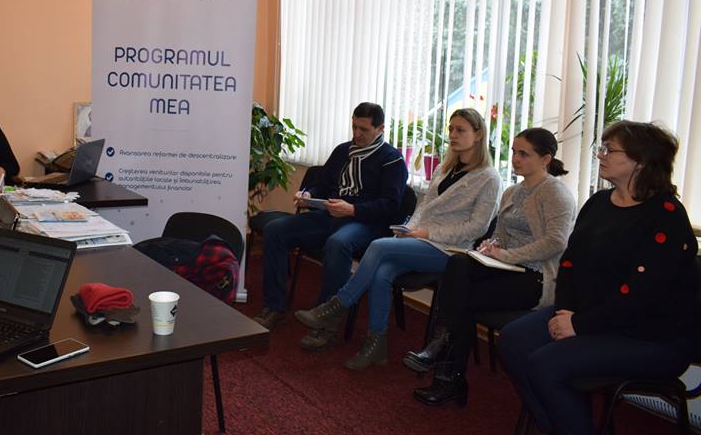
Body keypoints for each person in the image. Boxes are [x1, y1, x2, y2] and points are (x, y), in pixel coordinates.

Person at [499, 121, 700, 435]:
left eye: (610, 150)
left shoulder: (666, 216)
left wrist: (579, 325)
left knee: (545, 364)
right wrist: (565, 311)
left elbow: (641, 296)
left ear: (641, 161)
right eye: (602, 148)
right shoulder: (599, 203)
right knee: (513, 340)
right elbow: (570, 264)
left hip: (650, 335)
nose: (600, 155)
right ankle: (558, 426)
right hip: (590, 316)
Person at [295, 108, 501, 370]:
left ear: (478, 134)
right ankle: (376, 345)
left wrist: (426, 233)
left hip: (451, 250)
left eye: (460, 130)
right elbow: (424, 207)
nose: (453, 135)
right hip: (420, 241)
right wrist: (408, 229)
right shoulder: (444, 167)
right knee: (382, 273)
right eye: (451, 129)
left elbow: (476, 227)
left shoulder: (488, 177)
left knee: (378, 246)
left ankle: (337, 306)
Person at [405, 128, 576, 407]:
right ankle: (446, 366)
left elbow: (556, 242)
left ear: (546, 159)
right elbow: (500, 236)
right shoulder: (512, 191)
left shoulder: (555, 193)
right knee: (459, 263)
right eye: (514, 152)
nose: (515, 159)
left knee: (462, 298)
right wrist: (490, 246)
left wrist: (507, 255)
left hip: (536, 278)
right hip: (506, 269)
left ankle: (445, 365)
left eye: (524, 154)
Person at [252, 102, 408, 351]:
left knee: (338, 243)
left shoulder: (392, 161)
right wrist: (308, 194)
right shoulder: (343, 151)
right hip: (330, 215)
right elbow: (322, 185)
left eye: (364, 130)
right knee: (275, 230)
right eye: (354, 127)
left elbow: (390, 205)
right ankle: (274, 306)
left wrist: (352, 209)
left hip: (365, 223)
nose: (357, 134)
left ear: (380, 129)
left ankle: (325, 320)